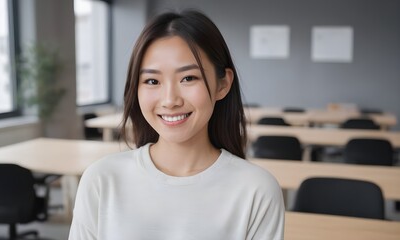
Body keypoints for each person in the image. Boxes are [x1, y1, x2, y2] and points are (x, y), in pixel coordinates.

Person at [69, 10, 284, 240]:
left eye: (188, 78)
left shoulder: (257, 190)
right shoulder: (102, 179)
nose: (170, 100)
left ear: (222, 84)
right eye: (152, 81)